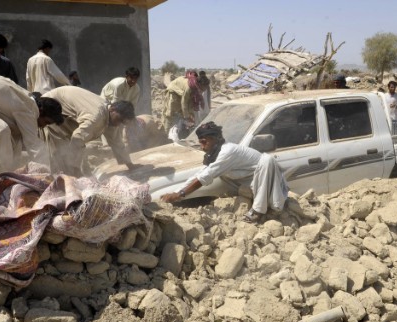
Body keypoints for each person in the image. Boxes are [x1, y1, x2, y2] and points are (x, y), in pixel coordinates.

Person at [160, 122, 289, 223]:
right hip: (251, 180)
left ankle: (258, 211)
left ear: (216, 139)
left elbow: (205, 177)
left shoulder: (228, 151)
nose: (202, 147)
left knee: (267, 160)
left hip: (268, 178)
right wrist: (177, 192)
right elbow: (200, 173)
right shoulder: (216, 153)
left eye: (204, 142)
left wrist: (180, 195)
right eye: (200, 143)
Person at [41, 85, 138, 176]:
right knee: (61, 150)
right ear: (112, 109)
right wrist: (75, 168)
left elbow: (117, 143)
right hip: (51, 106)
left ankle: (74, 173)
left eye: (122, 123)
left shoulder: (110, 118)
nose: (119, 124)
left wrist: (130, 165)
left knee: (76, 150)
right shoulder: (96, 116)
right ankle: (60, 179)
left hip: (67, 114)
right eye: (120, 119)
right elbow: (77, 138)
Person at [163, 70, 205, 141]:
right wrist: (187, 116)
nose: (202, 91)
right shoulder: (189, 87)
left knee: (186, 117)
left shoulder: (196, 88)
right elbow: (184, 102)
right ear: (199, 85)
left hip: (181, 94)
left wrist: (191, 115)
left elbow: (191, 102)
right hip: (174, 92)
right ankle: (165, 136)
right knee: (169, 115)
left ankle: (182, 135)